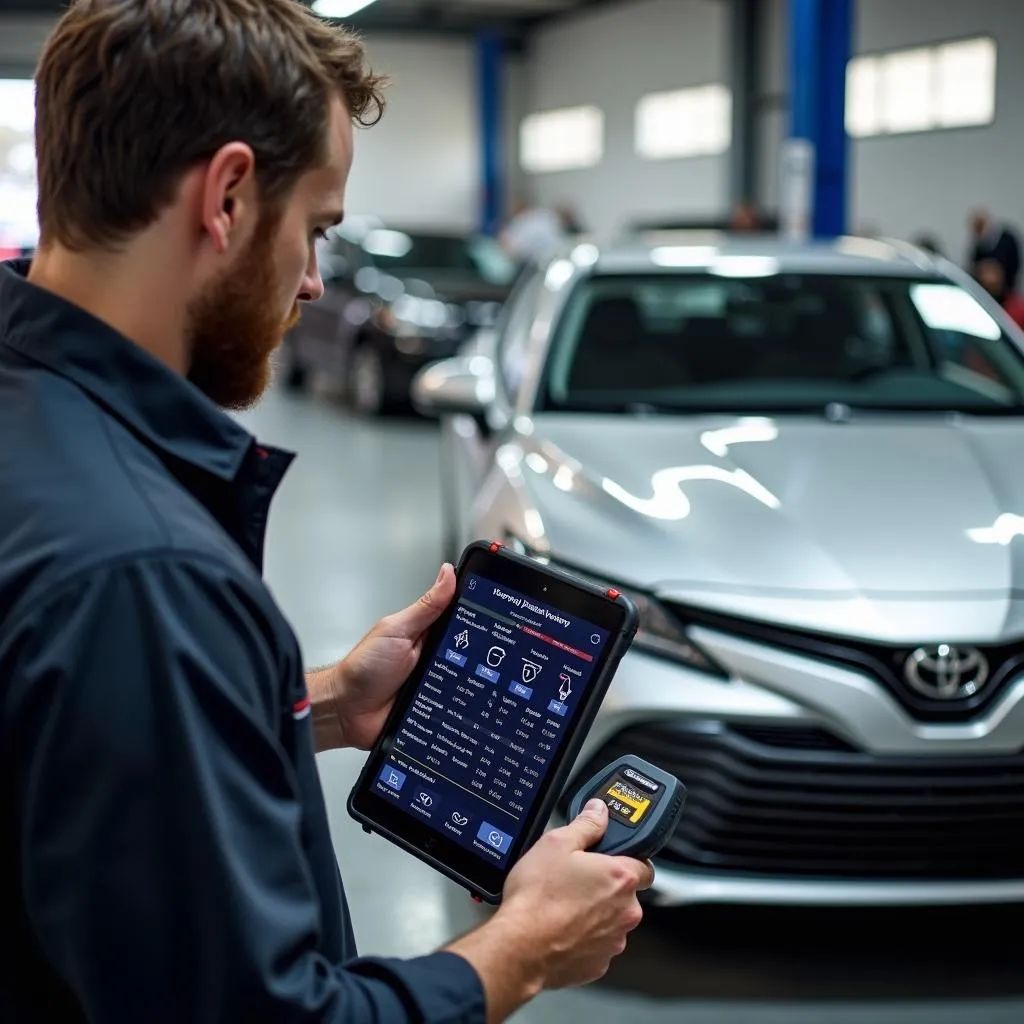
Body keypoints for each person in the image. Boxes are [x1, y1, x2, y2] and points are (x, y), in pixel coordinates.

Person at [0, 2, 652, 1023]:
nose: (311, 280)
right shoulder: (143, 570)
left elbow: (72, 755)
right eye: (314, 228)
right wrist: (517, 950)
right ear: (225, 197)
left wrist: (328, 705)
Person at [967, 207, 1022, 297]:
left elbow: (1014, 264)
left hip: (1006, 292)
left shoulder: (1007, 240)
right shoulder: (978, 246)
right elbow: (973, 267)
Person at [975, 257, 1024, 329]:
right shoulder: (973, 306)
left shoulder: (1016, 309)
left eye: (993, 272)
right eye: (986, 272)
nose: (990, 279)